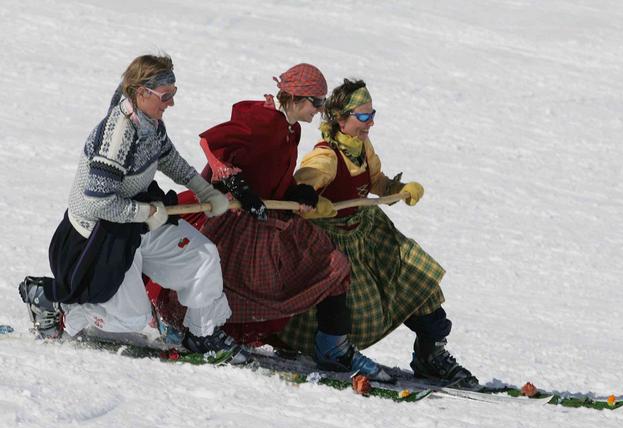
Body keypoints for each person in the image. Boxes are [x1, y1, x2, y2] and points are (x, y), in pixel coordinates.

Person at [151, 64, 391, 381]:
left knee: (330, 263)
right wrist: (235, 184)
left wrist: (297, 191)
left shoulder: (293, 128)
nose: (320, 111)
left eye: (321, 103)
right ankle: (185, 327)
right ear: (294, 97)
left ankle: (332, 346)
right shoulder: (263, 119)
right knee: (219, 275)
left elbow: (271, 172)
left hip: (265, 218)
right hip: (233, 218)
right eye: (315, 103)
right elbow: (211, 144)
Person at [18, 54, 247, 364]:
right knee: (132, 319)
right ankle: (54, 302)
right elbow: (98, 202)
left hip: (137, 219)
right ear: (142, 93)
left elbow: (166, 156)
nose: (171, 103)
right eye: (166, 96)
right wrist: (146, 214)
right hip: (100, 233)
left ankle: (203, 334)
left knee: (203, 257)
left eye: (174, 93)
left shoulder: (150, 122)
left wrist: (202, 188)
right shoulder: (117, 134)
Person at [276, 78, 478, 386]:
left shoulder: (361, 146)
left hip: (367, 230)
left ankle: (431, 352)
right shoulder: (325, 157)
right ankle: (325, 346)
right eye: (363, 116)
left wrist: (397, 189)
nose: (370, 122)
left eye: (372, 114)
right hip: (334, 240)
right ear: (340, 119)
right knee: (354, 304)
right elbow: (299, 192)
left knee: (415, 275)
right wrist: (316, 203)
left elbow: (374, 181)